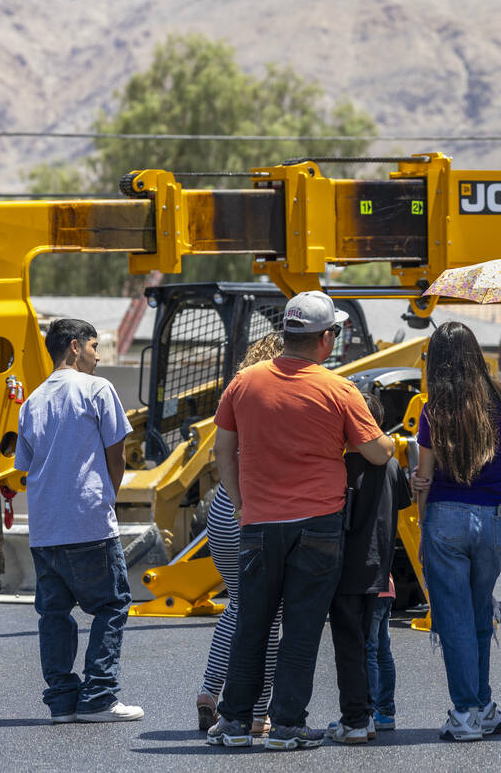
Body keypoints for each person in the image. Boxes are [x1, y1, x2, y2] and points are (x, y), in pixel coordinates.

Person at [206, 291, 394, 751]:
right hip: (317, 525)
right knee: (302, 628)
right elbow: (377, 452)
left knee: (253, 622)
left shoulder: (244, 383)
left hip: (257, 524)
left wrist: (241, 502)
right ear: (325, 339)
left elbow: (221, 452)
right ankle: (286, 725)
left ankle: (233, 722)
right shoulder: (338, 389)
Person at [14, 318, 143, 723]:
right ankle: (100, 697)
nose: (99, 355)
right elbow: (116, 453)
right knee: (112, 604)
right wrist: (108, 495)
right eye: (94, 346)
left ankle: (62, 703)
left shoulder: (32, 401)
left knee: (54, 614)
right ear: (74, 346)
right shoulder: (96, 389)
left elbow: (26, 466)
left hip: (45, 528)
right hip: (87, 522)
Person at [413, 321, 501, 742]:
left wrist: (422, 528)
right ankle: (485, 704)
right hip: (494, 516)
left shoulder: (434, 408)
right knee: (478, 613)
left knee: (453, 619)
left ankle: (466, 712)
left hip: (446, 515)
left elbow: (424, 476)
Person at [196, 332, 285, 738]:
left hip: (223, 505)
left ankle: (210, 691)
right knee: (269, 616)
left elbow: (222, 450)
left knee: (239, 604)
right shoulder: (285, 390)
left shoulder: (239, 390)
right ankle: (256, 712)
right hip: (257, 506)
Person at [326, 392, 412, 744]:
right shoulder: (390, 465)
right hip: (383, 572)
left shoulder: (343, 464)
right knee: (379, 646)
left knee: (354, 646)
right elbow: (404, 503)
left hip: (351, 568)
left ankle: (361, 716)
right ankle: (382, 711)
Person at [366, 575, 398, 732]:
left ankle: (367, 714)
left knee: (369, 652)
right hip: (387, 588)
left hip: (370, 588)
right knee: (383, 653)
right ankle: (385, 711)